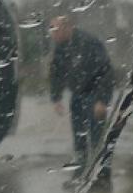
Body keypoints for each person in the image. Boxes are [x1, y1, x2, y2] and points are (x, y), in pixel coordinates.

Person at [48, 15, 114, 177]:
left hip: (94, 94)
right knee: (79, 136)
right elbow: (56, 73)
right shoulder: (60, 47)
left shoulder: (88, 42)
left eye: (55, 30)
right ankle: (80, 173)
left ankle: (102, 175)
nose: (52, 34)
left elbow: (106, 71)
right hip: (77, 95)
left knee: (97, 136)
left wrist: (102, 100)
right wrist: (56, 98)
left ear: (66, 27)